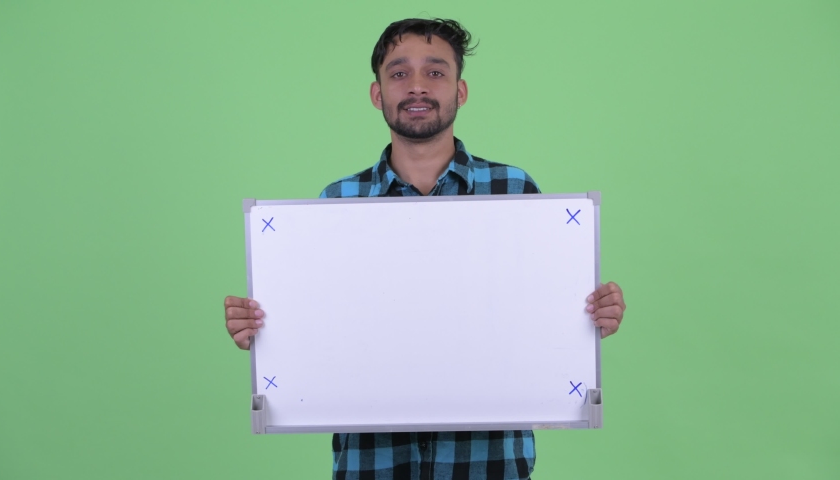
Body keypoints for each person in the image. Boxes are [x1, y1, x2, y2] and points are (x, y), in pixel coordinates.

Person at [224, 18, 627, 480]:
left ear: (461, 90)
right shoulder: (338, 202)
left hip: (489, 463)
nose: (417, 86)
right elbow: (319, 324)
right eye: (399, 73)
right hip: (372, 465)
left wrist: (589, 317)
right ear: (377, 94)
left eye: (435, 72)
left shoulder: (514, 190)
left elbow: (539, 314)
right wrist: (264, 332)